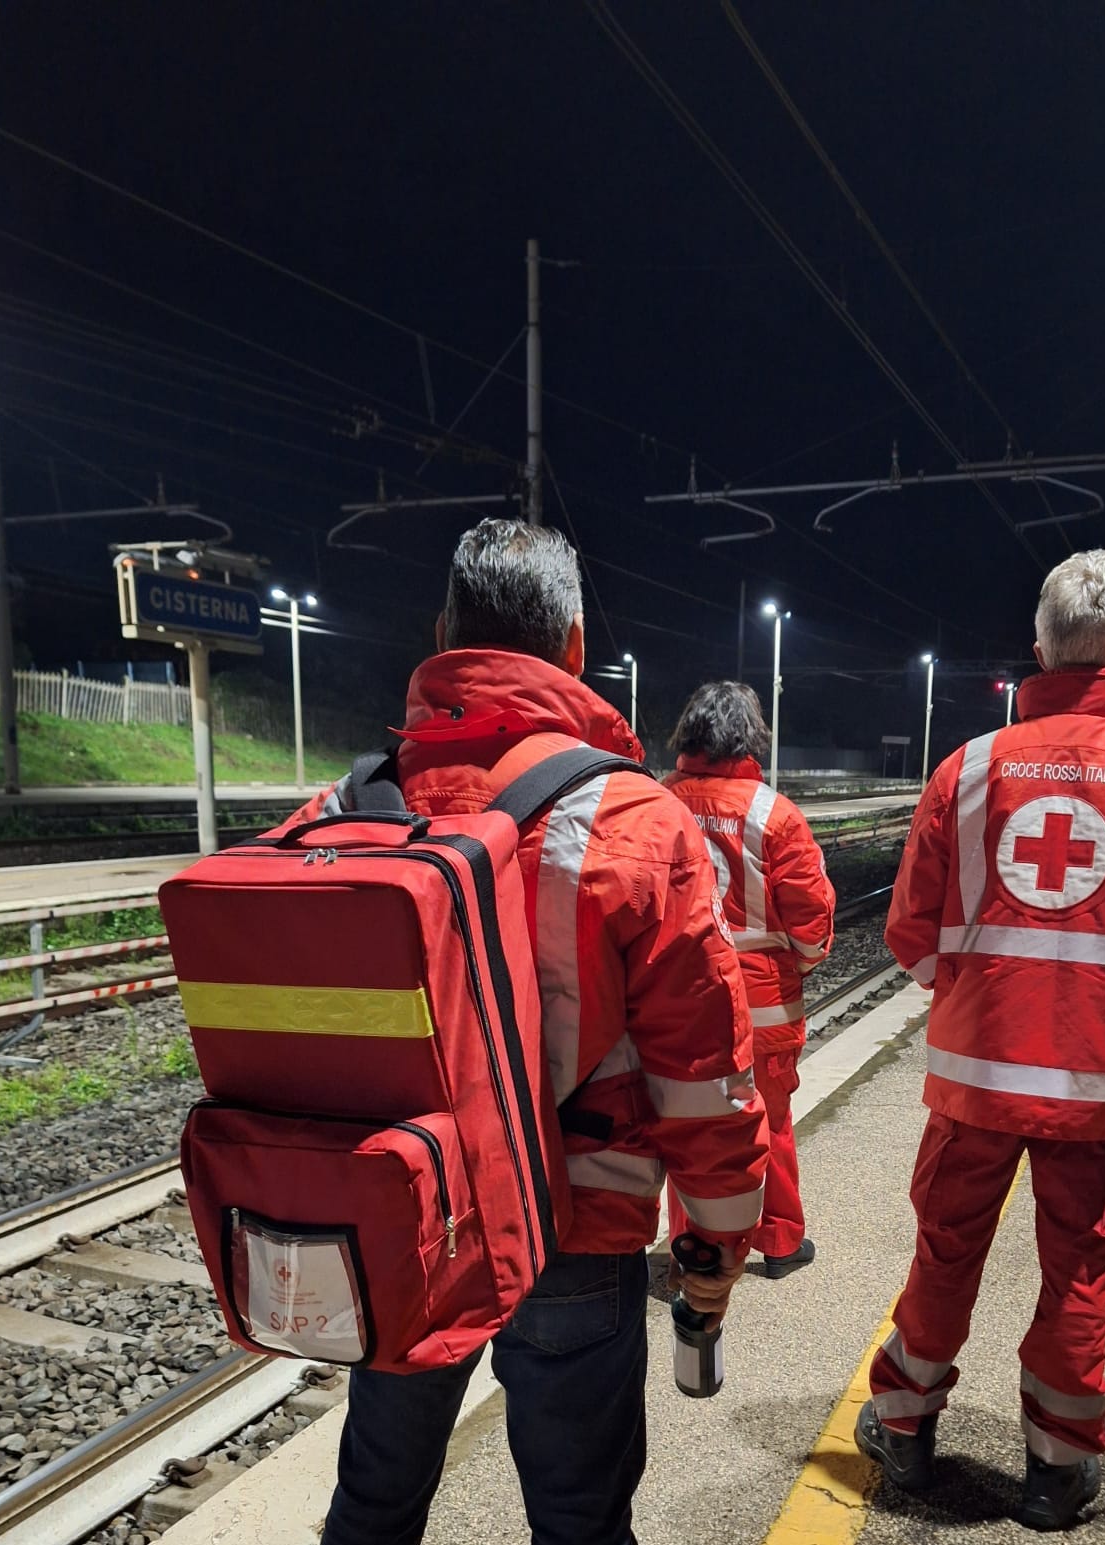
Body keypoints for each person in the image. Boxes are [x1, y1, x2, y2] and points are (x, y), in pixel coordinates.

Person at [300, 520, 770, 1545]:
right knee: (579, 1521)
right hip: (573, 1228)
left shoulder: (344, 805)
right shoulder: (634, 819)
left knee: (375, 1502)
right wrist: (722, 1233)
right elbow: (704, 1073)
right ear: (572, 645)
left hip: (401, 1218)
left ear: (442, 634)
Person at [856, 549, 1105, 1531]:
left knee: (944, 1257)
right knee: (1080, 1272)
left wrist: (967, 1005)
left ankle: (902, 1432)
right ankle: (1056, 1472)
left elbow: (909, 931)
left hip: (975, 1081)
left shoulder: (969, 770)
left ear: (1040, 646)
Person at [663, 681, 835, 1277]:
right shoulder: (773, 814)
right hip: (763, 1009)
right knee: (771, 1120)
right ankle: (781, 1242)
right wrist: (786, 971)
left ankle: (698, 1252)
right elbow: (812, 926)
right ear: (750, 739)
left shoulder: (653, 803)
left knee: (691, 1131)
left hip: (678, 1004)